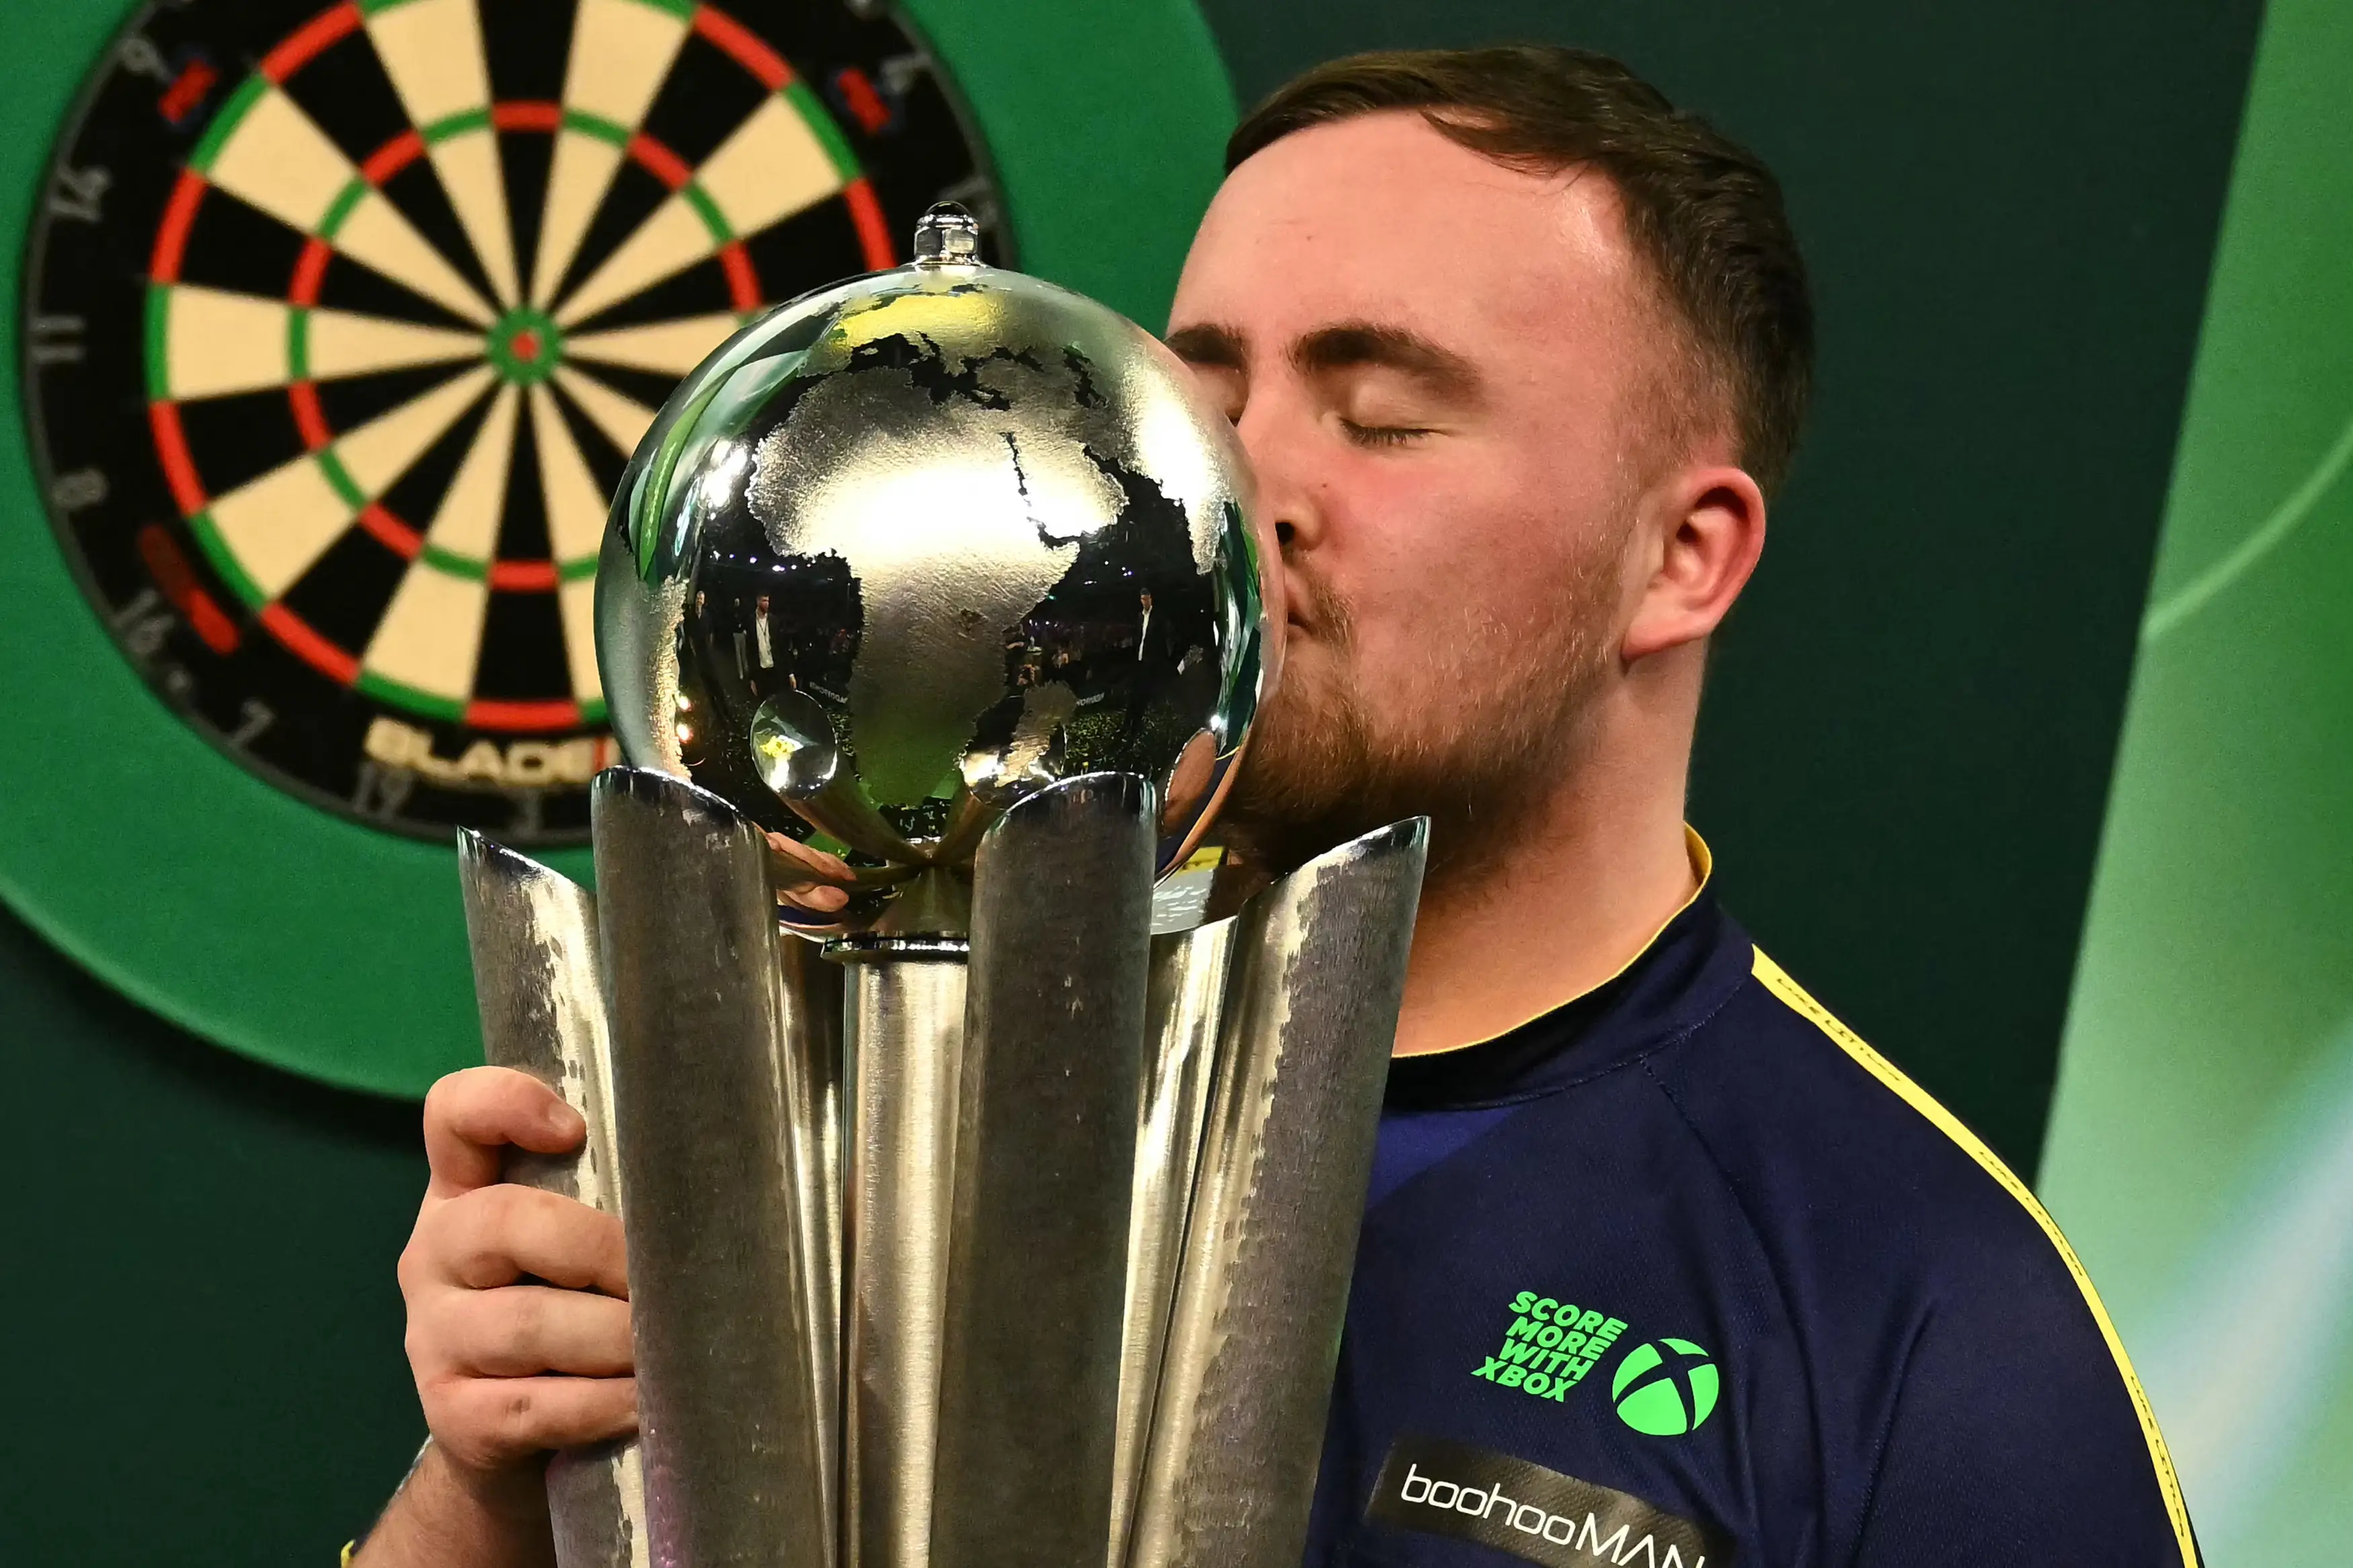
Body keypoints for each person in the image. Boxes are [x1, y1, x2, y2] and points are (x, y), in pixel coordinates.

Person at [356, 46, 2198, 1568]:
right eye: (1203, 391)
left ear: (1682, 557)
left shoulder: (1923, 1319)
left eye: (1383, 415)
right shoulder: (845, 1074)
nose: (1244, 485)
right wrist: (504, 1484)